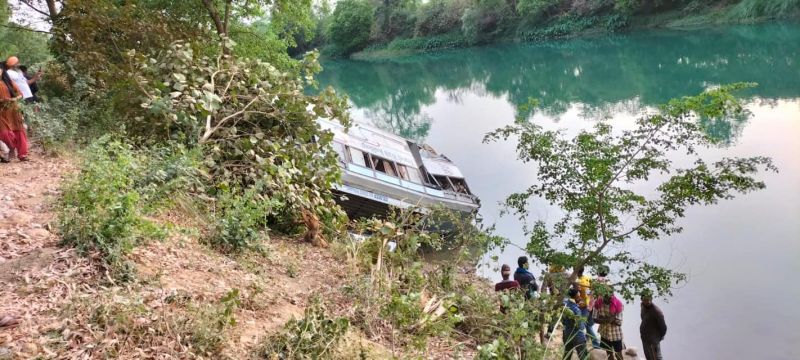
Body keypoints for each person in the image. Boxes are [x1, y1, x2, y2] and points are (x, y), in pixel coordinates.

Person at [0, 64, 29, 161]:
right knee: (5, 133)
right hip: (2, 112)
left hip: (13, 110)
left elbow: (20, 94)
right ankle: (11, 149)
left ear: (2, 70)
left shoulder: (8, 82)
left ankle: (22, 154)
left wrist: (14, 99)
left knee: (19, 131)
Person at [593, 285, 625, 360]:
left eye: (609, 295)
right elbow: (594, 318)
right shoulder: (598, 303)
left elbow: (619, 322)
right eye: (605, 295)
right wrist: (609, 319)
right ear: (603, 294)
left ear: (612, 294)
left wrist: (602, 319)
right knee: (609, 354)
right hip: (604, 334)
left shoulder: (618, 303)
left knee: (618, 355)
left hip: (616, 334)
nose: (607, 298)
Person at [575, 266, 601, 349]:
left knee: (582, 325)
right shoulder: (587, 279)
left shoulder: (578, 281)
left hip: (583, 306)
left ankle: (594, 344)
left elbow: (577, 295)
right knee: (587, 324)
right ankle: (587, 339)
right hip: (590, 304)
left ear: (576, 271)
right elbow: (591, 292)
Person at [639, 290, 667, 360]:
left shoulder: (657, 312)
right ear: (642, 300)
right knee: (648, 357)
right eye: (646, 300)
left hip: (653, 341)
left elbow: (664, 328)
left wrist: (657, 338)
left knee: (656, 358)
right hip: (645, 338)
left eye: (649, 299)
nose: (648, 301)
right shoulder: (642, 306)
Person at [562, 287, 589, 360]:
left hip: (567, 333)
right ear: (575, 297)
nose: (580, 298)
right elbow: (580, 326)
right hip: (578, 336)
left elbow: (563, 320)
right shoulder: (576, 310)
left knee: (567, 355)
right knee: (583, 356)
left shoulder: (565, 304)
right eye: (578, 296)